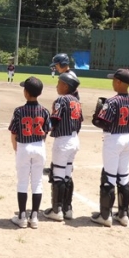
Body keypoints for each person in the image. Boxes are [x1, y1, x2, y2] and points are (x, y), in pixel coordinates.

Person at [90, 68, 129, 227]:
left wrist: (96, 118)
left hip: (114, 139)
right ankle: (123, 215)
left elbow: (102, 122)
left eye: (113, 80)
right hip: (128, 138)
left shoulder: (112, 101)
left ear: (118, 82)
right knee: (124, 177)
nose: (112, 82)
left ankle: (105, 216)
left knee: (109, 177)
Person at [8, 77, 50, 229]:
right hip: (39, 146)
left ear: (26, 92)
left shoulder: (19, 111)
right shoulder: (44, 111)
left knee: (23, 182)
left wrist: (16, 147)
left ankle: (22, 217)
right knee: (37, 182)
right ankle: (34, 217)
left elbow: (13, 132)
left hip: (24, 146)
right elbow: (46, 131)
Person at [44, 72, 82, 222]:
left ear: (66, 86)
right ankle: (68, 209)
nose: (57, 86)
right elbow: (79, 122)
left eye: (59, 83)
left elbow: (54, 120)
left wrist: (43, 129)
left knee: (58, 175)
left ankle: (57, 210)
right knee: (67, 175)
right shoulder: (76, 101)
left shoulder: (61, 100)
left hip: (63, 141)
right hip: (74, 139)